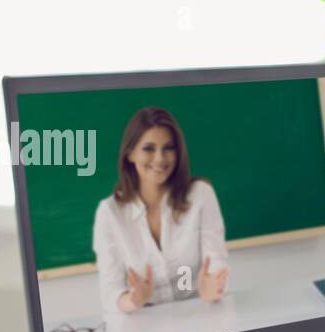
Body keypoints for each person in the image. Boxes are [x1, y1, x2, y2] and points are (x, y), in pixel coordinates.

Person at [93, 106, 230, 314]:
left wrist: (213, 287)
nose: (160, 158)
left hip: (200, 316)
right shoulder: (109, 213)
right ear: (130, 154)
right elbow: (110, 293)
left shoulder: (200, 195)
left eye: (168, 148)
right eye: (149, 148)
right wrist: (132, 299)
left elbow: (216, 263)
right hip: (142, 325)